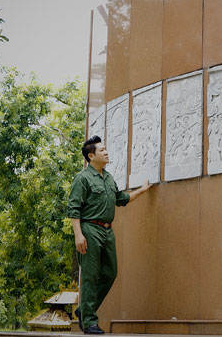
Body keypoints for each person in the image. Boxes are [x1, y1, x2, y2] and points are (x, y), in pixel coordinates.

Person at [67, 135, 154, 334]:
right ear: (91, 156)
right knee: (90, 276)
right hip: (90, 229)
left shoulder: (108, 178)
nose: (106, 152)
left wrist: (142, 190)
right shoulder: (82, 178)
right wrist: (78, 235)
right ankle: (89, 321)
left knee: (110, 273)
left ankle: (84, 309)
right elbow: (73, 208)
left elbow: (121, 199)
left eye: (106, 149)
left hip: (107, 231)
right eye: (102, 150)